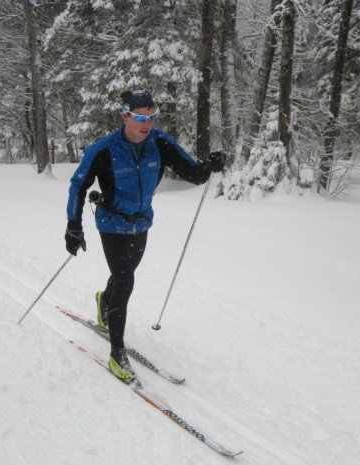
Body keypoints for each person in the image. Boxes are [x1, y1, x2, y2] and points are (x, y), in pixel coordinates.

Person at [64, 89, 225, 384]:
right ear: (125, 116)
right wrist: (73, 225)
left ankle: (103, 301)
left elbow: (194, 174)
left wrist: (209, 166)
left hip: (142, 224)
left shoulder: (159, 143)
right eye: (140, 117)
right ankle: (116, 352)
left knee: (124, 274)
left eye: (151, 117)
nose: (146, 123)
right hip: (112, 223)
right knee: (125, 279)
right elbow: (78, 186)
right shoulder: (103, 149)